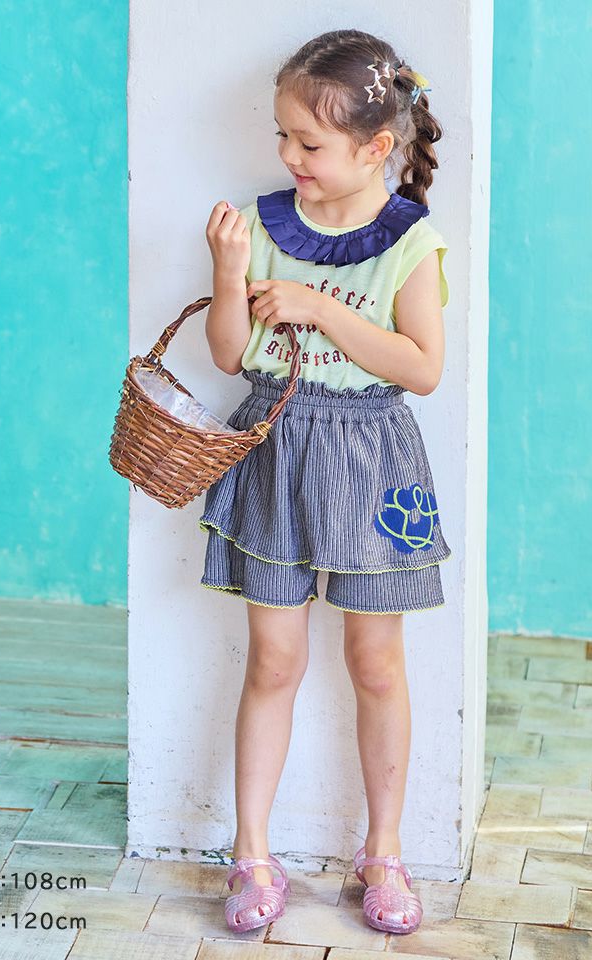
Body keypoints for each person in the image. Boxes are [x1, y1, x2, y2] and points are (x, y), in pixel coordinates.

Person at [199, 28, 451, 936]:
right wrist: (231, 275)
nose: (288, 156)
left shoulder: (409, 243)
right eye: (282, 136)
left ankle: (382, 850)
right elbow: (232, 355)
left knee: (376, 663)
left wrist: (317, 309)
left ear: (376, 147)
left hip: (374, 458)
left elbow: (423, 368)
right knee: (274, 659)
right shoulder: (261, 225)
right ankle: (251, 851)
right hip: (276, 451)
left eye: (308, 142)